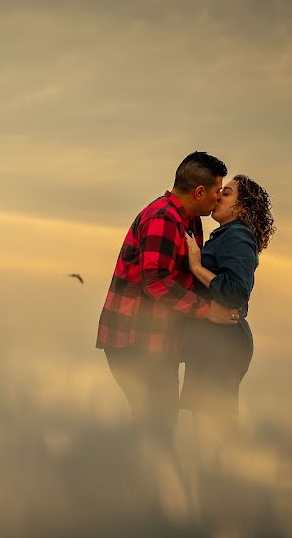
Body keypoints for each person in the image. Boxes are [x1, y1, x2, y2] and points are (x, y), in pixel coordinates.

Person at [96, 151, 239, 458]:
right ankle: (138, 494)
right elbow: (156, 281)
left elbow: (183, 276)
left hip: (156, 341)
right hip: (134, 341)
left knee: (160, 427)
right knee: (156, 428)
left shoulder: (189, 221)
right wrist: (207, 312)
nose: (217, 200)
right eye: (216, 192)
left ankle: (147, 491)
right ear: (199, 192)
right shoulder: (162, 218)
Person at [181, 174, 275, 477]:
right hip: (216, 345)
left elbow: (236, 292)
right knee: (209, 430)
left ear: (243, 209)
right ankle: (221, 495)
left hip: (221, 347)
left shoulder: (238, 236)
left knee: (214, 432)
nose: (217, 195)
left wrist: (196, 267)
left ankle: (224, 498)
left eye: (227, 192)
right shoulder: (227, 235)